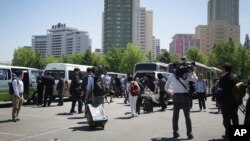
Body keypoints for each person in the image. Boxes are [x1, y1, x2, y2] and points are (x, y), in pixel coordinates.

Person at [164, 64, 198, 139]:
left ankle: (175, 132)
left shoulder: (172, 75)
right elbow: (196, 79)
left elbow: (166, 87)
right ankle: (189, 134)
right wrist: (193, 71)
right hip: (184, 96)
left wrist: (171, 92)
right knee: (187, 115)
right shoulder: (186, 74)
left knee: (175, 115)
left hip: (175, 96)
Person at [217, 62, 239, 139]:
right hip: (235, 101)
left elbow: (219, 91)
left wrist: (218, 102)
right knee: (234, 117)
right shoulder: (235, 78)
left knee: (226, 118)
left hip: (225, 102)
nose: (222, 69)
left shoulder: (222, 78)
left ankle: (228, 133)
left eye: (222, 68)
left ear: (224, 69)